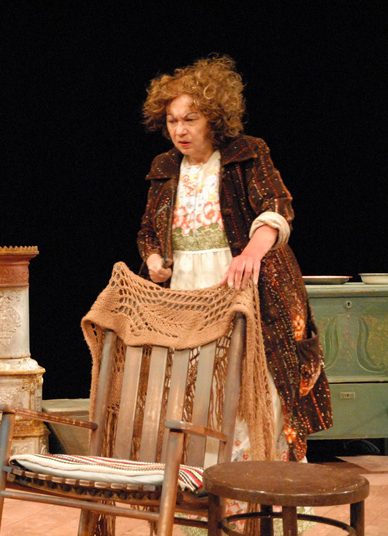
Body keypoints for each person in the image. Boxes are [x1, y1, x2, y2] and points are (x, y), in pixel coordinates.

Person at [136, 55, 332, 529]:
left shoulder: (246, 154)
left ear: (214, 118)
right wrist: (155, 259)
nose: (180, 130)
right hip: (189, 298)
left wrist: (251, 253)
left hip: (250, 292)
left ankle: (266, 510)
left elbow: (276, 207)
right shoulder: (165, 168)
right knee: (198, 396)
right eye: (172, 121)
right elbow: (149, 230)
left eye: (191, 119)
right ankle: (209, 507)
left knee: (254, 395)